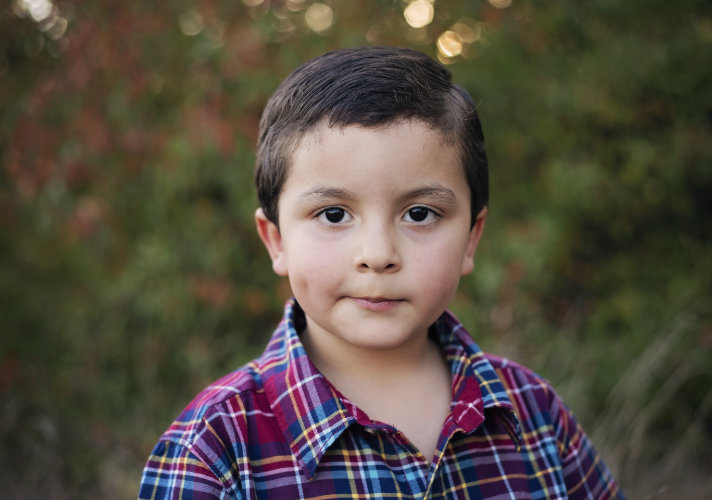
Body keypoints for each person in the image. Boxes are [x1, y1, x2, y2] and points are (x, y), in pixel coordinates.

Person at [138, 46, 625, 499]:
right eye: (333, 214)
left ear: (471, 238)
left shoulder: (536, 414)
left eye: (419, 214)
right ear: (277, 240)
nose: (378, 254)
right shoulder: (214, 447)